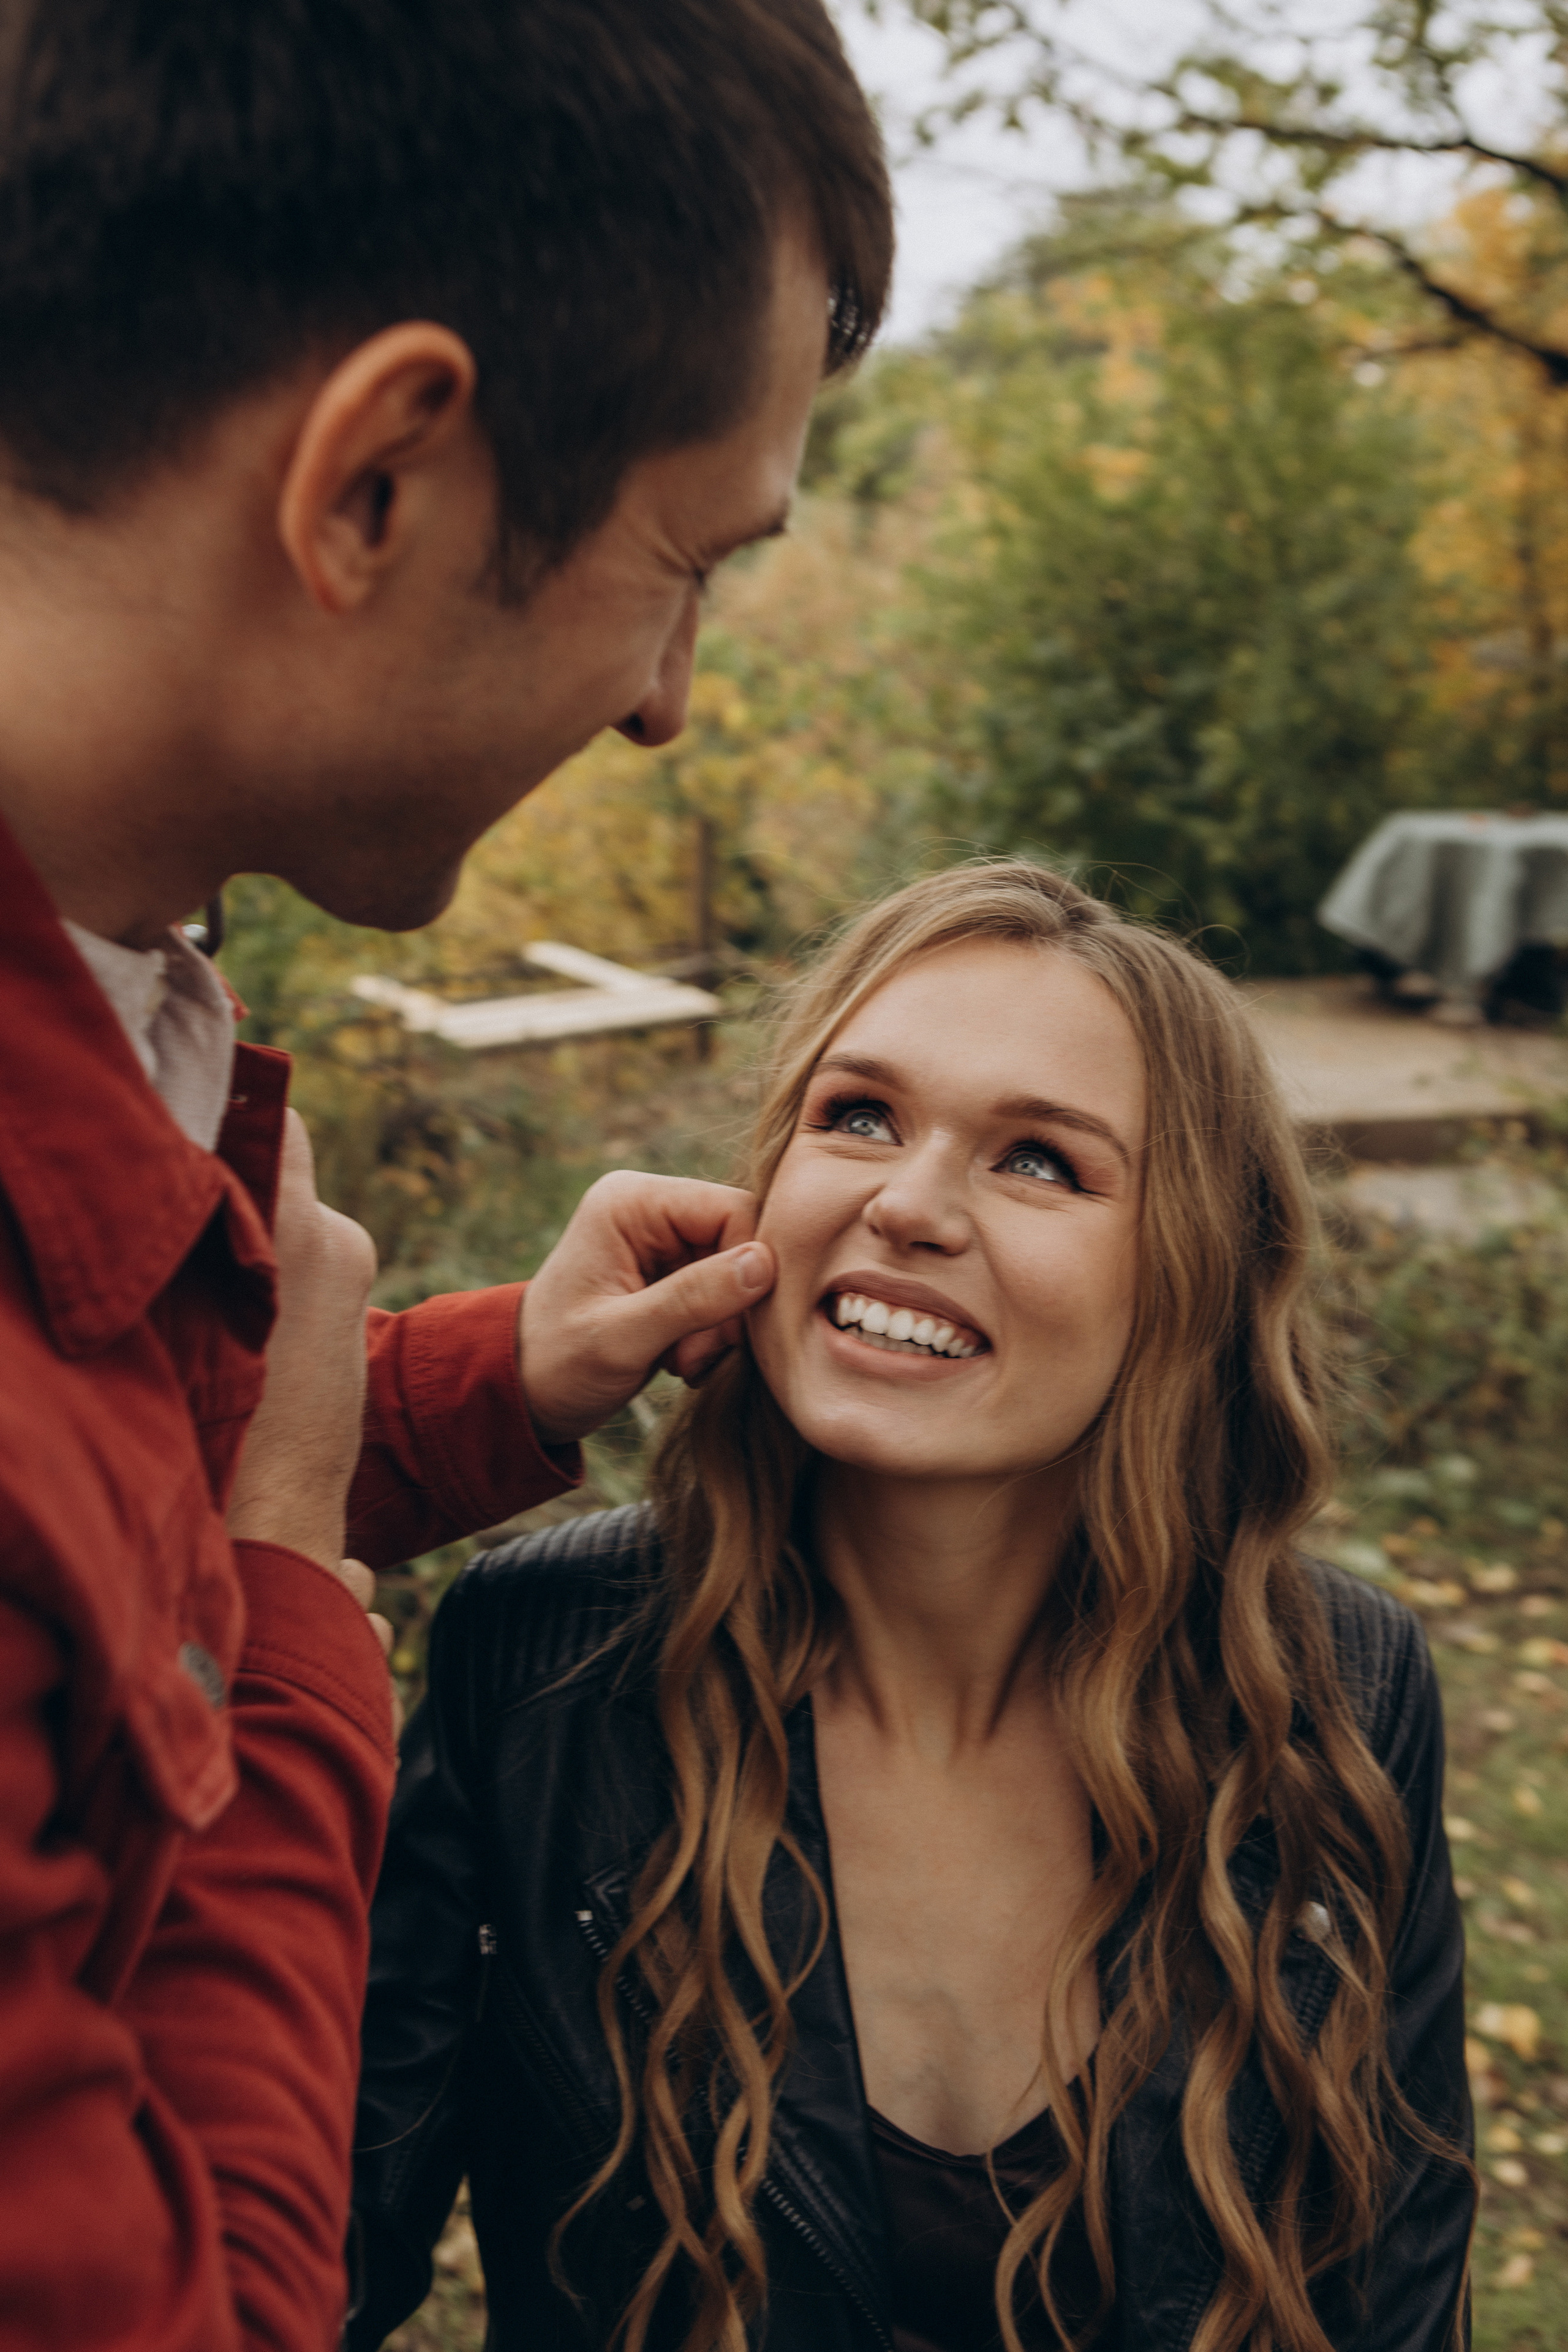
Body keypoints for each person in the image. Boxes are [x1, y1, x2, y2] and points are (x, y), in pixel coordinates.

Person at [0, 5, 891, 2348]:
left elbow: (94, 1526)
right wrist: (298, 1591)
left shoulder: (106, 997)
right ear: (376, 485)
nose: (668, 699)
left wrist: (480, 1380)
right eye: (687, 560)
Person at [352, 861, 1474, 2352]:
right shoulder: (541, 1657)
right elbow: (297, 2268)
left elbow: (1397, 2295)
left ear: (1190, 1277)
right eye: (859, 1117)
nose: (906, 1204)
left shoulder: (1335, 1689)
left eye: (1039, 1161)